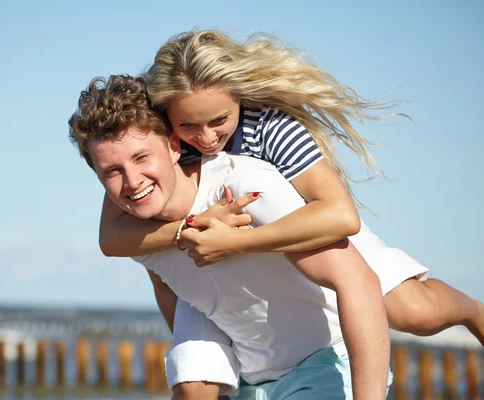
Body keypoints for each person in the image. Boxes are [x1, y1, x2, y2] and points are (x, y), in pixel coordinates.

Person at [98, 29, 484, 347]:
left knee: (410, 313)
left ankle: (473, 310)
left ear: (239, 97)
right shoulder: (158, 143)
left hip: (311, 229)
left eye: (219, 120)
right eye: (189, 126)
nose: (207, 137)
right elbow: (111, 237)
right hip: (230, 265)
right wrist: (190, 229)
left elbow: (339, 215)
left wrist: (234, 243)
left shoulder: (270, 128)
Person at [68, 75, 399, 399]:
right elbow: (168, 287)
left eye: (142, 157)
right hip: (253, 384)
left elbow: (360, 281)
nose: (133, 180)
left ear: (173, 147)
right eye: (112, 171)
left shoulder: (241, 189)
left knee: (418, 310)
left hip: (324, 365)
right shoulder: (139, 234)